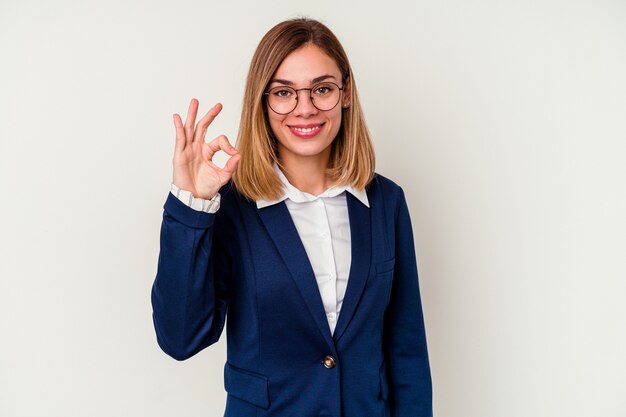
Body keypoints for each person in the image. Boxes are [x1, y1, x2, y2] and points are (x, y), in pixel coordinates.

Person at [151, 17, 432, 417]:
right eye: (284, 92)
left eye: (322, 89)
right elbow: (181, 339)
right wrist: (190, 207)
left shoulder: (386, 201)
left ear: (345, 92)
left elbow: (406, 350)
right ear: (263, 101)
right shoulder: (231, 207)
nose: (305, 109)